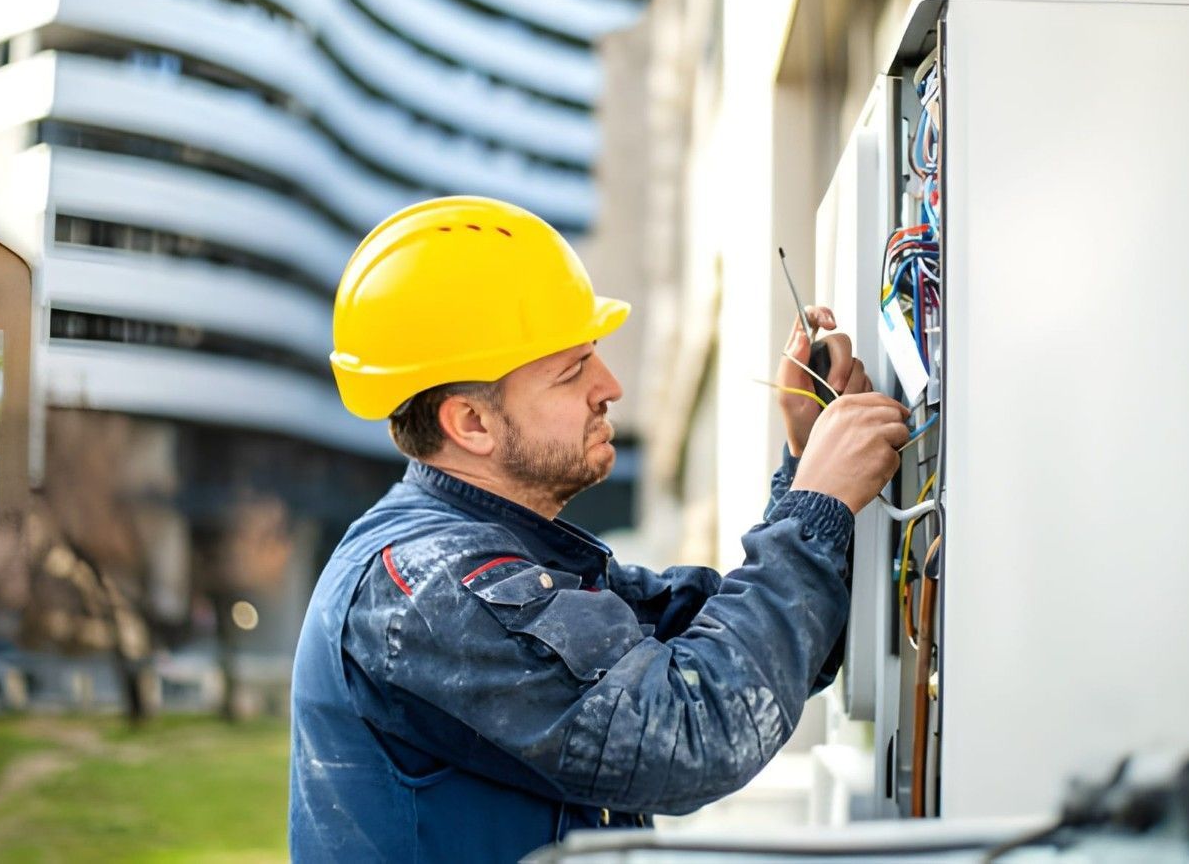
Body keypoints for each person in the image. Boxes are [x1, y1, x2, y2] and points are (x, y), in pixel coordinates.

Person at [289, 196, 910, 862]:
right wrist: (815, 505)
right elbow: (700, 729)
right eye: (571, 370)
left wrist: (806, 464)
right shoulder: (429, 587)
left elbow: (755, 652)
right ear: (470, 423)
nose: (610, 385)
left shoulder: (504, 553)